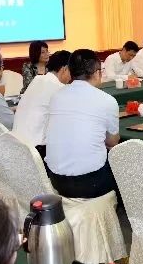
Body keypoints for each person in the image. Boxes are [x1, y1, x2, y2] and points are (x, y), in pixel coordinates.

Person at [46, 49, 119, 199]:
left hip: (55, 179)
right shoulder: (107, 100)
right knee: (124, 168)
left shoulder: (55, 96)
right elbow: (112, 142)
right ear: (97, 73)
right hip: (90, 182)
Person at [12, 50, 72, 157]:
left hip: (17, 146)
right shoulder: (59, 88)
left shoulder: (37, 79)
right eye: (71, 72)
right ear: (65, 69)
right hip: (35, 151)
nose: (71, 77)